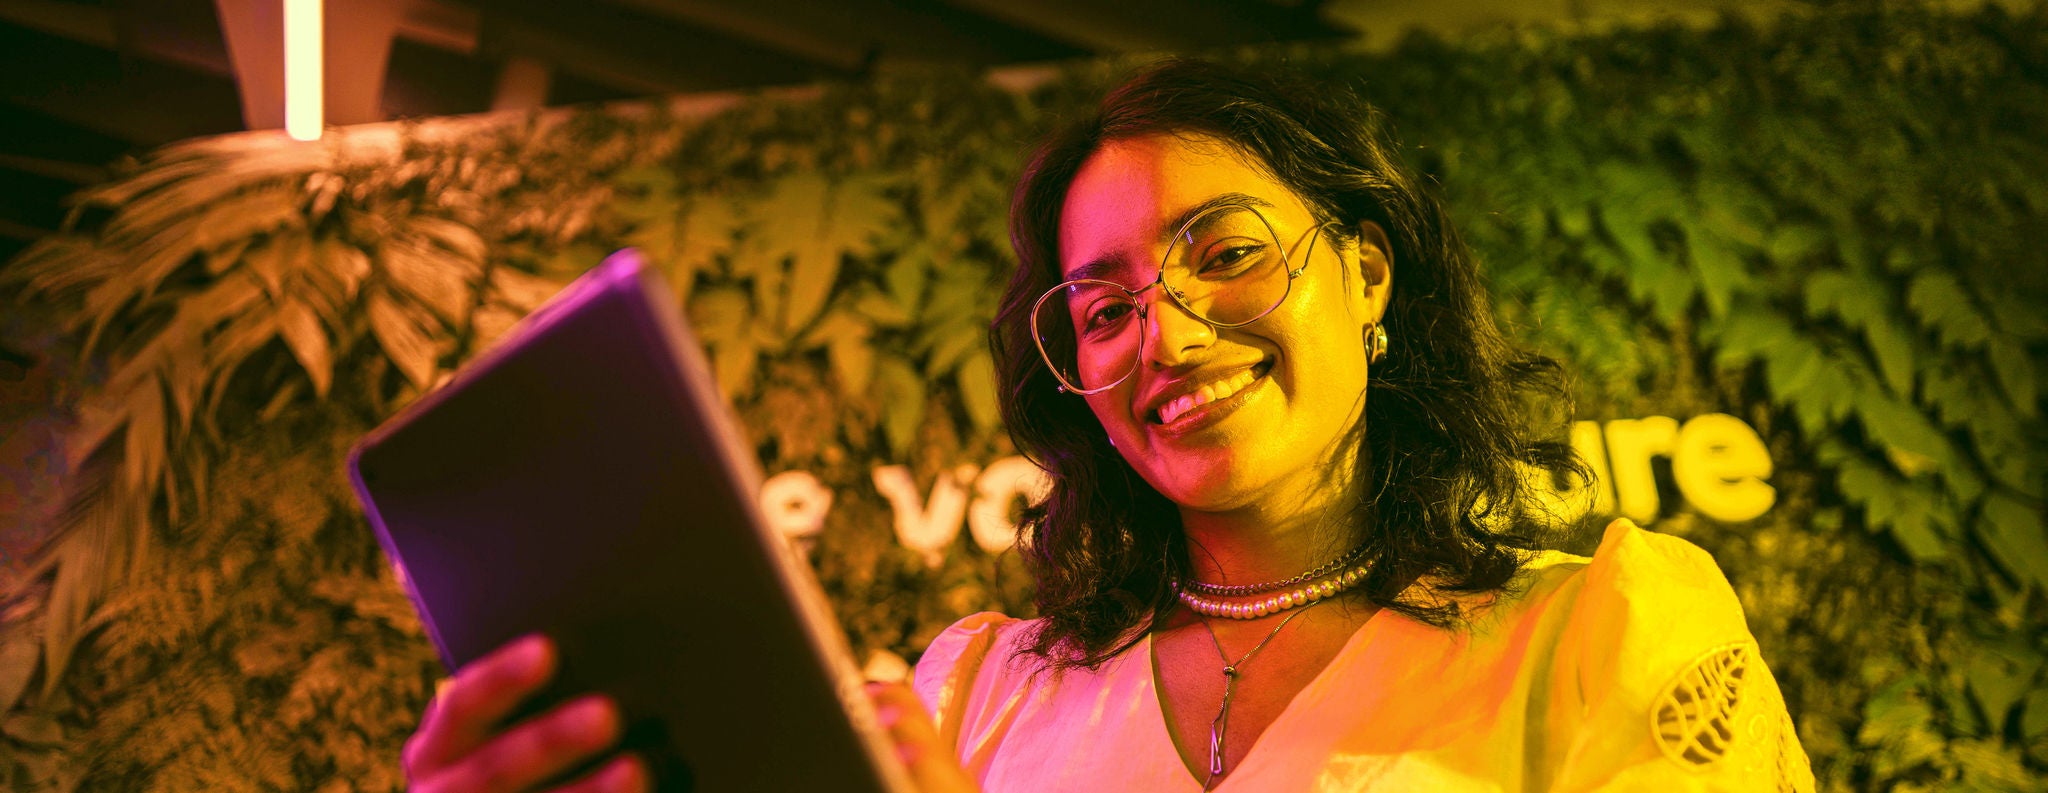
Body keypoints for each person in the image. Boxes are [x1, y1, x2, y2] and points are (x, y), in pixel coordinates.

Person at [398, 59, 1815, 792]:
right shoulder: (972, 695)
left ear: (1368, 276)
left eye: (1227, 250)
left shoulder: (1604, 635)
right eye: (1102, 301)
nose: (1171, 331)